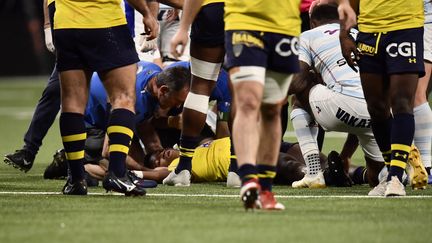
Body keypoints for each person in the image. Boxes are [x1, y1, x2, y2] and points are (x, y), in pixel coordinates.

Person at [53, 0, 158, 196]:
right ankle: (117, 173)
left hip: (65, 24)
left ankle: (76, 178)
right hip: (104, 21)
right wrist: (147, 13)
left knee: (72, 104)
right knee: (124, 97)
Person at [288, 4, 385, 193]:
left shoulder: (308, 35)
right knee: (376, 176)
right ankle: (398, 175)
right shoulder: (356, 33)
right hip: (375, 113)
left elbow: (296, 83)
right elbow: (358, 103)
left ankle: (313, 173)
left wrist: (313, 76)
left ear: (312, 22)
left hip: (340, 107)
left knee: (299, 96)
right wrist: (346, 156)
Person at [337, 0, 426, 196]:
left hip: (406, 26)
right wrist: (344, 33)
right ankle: (390, 174)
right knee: (376, 107)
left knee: (402, 101)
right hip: (368, 31)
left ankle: (396, 176)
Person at [224, 0, 301, 210]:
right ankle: (249, 179)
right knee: (248, 102)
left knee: (273, 109)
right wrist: (184, 27)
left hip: (285, 27)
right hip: (244, 22)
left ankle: (266, 190)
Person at [163, 0, 227, 187]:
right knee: (240, 88)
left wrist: (183, 27)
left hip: (212, 8)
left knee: (200, 88)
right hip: (249, 13)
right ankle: (237, 169)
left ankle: (184, 167)